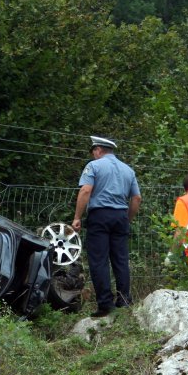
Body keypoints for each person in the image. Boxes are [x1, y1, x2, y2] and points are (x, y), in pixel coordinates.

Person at [72, 135, 142, 317]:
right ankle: (124, 300)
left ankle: (105, 304)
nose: (93, 154)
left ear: (98, 150)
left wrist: (77, 217)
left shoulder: (93, 166)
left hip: (100, 216)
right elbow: (136, 199)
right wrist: (128, 219)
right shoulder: (128, 170)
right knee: (120, 260)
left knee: (99, 260)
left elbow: (86, 190)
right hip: (120, 216)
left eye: (93, 151)